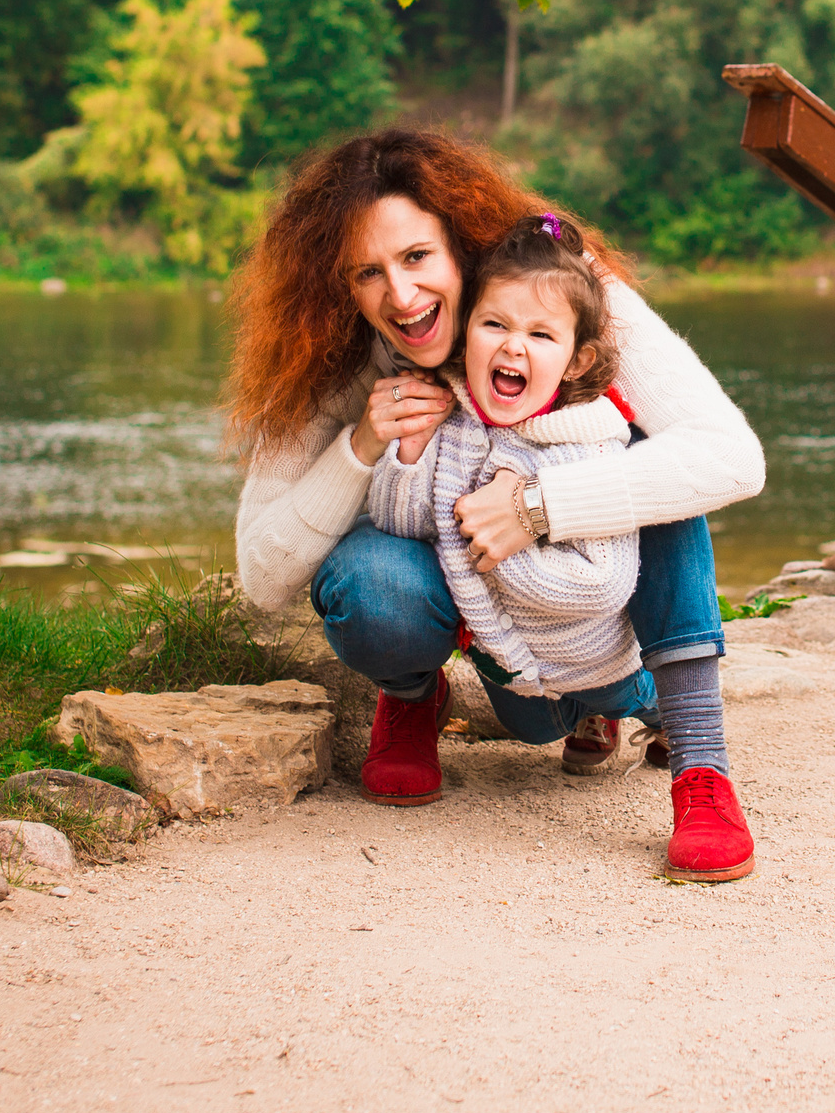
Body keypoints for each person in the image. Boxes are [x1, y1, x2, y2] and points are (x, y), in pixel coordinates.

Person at [225, 130, 765, 881]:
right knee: (365, 577)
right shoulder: (342, 352)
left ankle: (700, 764)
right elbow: (261, 570)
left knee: (662, 456)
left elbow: (733, 456)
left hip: (590, 595)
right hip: (491, 628)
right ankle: (413, 693)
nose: (402, 296)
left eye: (417, 257)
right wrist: (362, 444)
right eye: (368, 273)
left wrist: (541, 505)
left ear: (461, 240)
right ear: (340, 287)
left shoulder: (564, 290)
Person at [366, 214, 668, 792]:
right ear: (466, 331)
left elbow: (602, 584)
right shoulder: (453, 422)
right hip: (512, 664)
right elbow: (399, 525)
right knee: (530, 728)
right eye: (495, 324)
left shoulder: (587, 440)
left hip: (594, 654)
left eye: (541, 334)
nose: (512, 345)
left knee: (626, 692)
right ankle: (571, 715)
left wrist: (505, 535)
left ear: (576, 360)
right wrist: (408, 455)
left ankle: (659, 714)